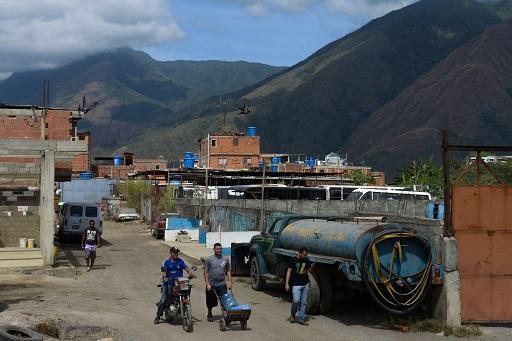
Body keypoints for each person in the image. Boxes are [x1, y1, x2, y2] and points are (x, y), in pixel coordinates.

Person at [154, 247, 194, 324]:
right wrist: (165, 277)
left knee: (188, 288)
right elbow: (164, 271)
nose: (176, 254)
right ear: (171, 253)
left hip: (179, 282)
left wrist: (191, 273)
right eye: (174, 252)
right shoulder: (167, 262)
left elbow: (186, 268)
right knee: (163, 300)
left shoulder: (180, 261)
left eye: (177, 252)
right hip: (168, 283)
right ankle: (158, 316)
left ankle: (184, 304)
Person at [285, 247, 313, 326]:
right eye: (304, 255)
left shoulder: (306, 260)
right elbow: (289, 272)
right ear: (299, 253)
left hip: (305, 284)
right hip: (296, 284)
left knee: (303, 303)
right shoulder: (293, 260)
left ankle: (301, 319)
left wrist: (311, 268)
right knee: (296, 301)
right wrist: (286, 284)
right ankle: (293, 315)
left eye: (306, 255)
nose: (305, 256)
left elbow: (309, 269)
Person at [204, 243, 232, 322]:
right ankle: (209, 313)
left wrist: (230, 282)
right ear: (214, 249)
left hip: (222, 284)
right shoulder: (209, 260)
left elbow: (228, 271)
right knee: (210, 301)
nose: (219, 250)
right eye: (217, 249)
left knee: (224, 300)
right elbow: (205, 272)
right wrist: (207, 284)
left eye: (220, 249)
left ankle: (226, 315)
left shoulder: (225, 259)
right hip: (211, 285)